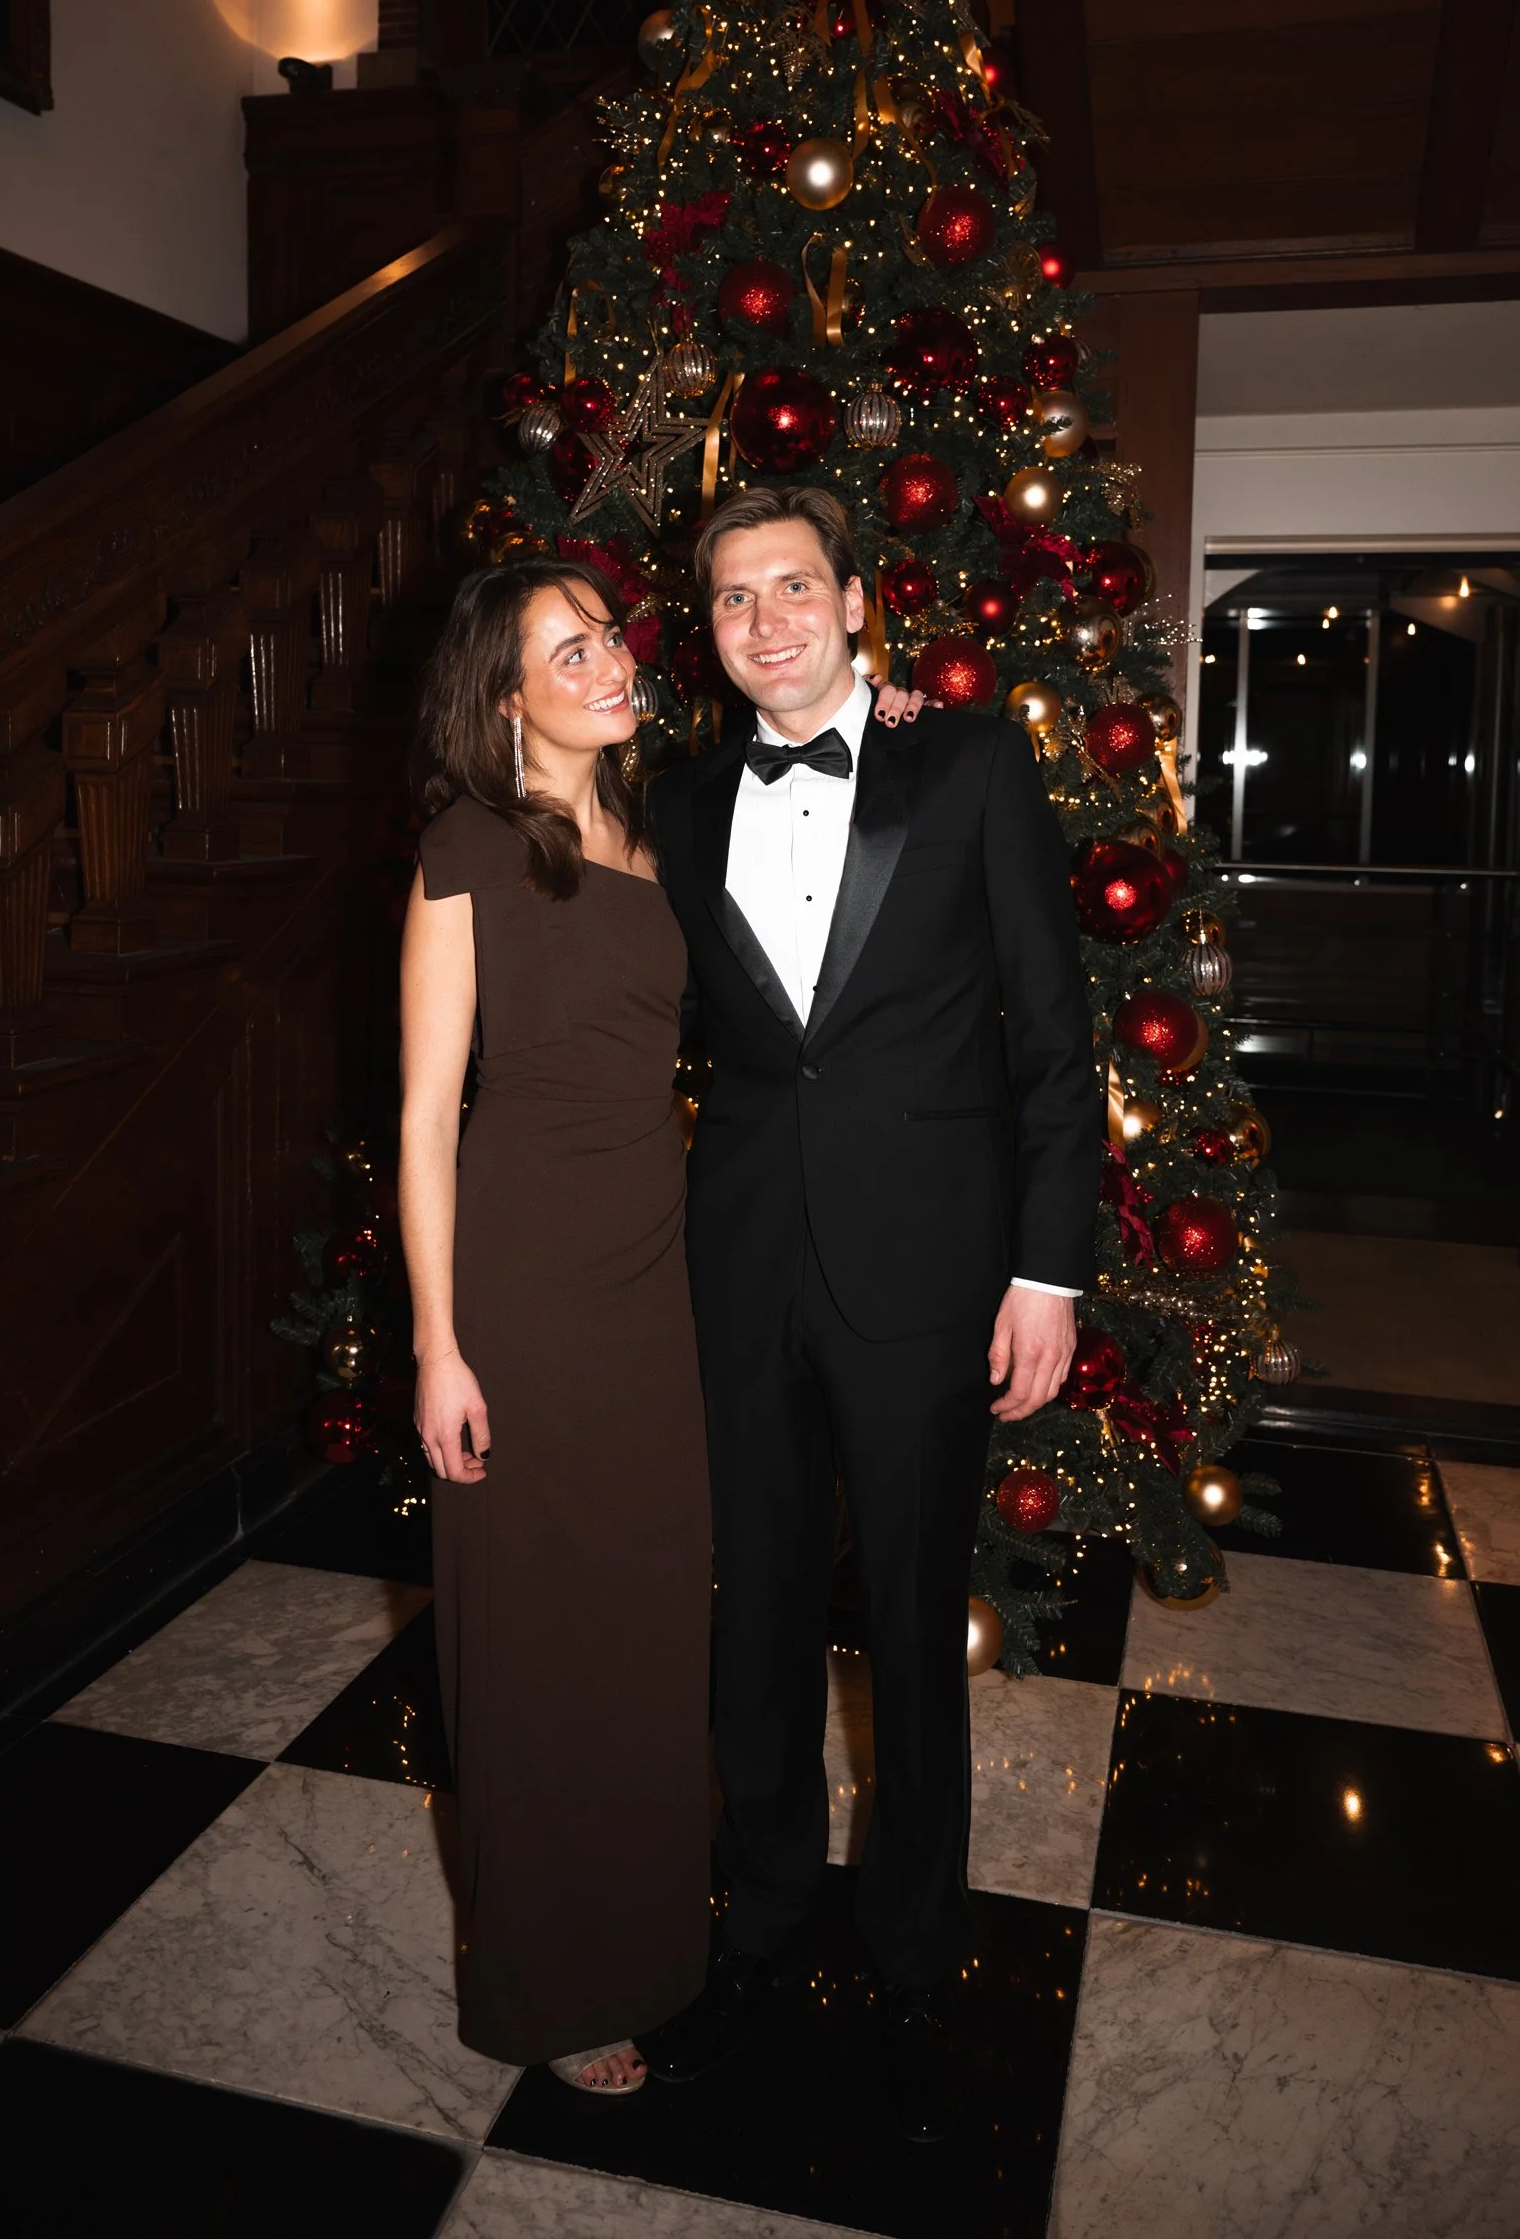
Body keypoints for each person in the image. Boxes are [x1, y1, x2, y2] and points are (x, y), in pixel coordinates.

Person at [398, 556, 920, 2094]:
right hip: (526, 1279)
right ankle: (554, 1984)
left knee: (639, 1629)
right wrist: (439, 1342)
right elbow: (427, 1116)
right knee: (540, 1639)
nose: (612, 659)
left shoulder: (662, 823)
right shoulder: (465, 846)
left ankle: (640, 1936)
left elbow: (808, 792)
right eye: (569, 648)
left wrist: (879, 708)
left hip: (657, 1273)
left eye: (611, 633)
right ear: (504, 697)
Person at [640, 486, 1099, 2142]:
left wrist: (1046, 1271)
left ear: (852, 604)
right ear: (705, 632)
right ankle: (757, 1921)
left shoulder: (963, 763)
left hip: (929, 1276)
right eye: (728, 599)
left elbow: (1053, 1033)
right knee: (749, 1615)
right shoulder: (678, 804)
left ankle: (913, 1944)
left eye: (791, 587)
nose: (762, 620)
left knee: (911, 1622)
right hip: (740, 1265)